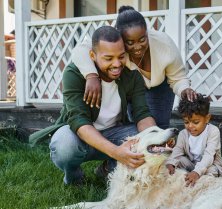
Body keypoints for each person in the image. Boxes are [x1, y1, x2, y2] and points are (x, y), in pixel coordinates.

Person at [29, 26, 156, 185]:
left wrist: (155, 139)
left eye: (121, 56)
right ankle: (75, 178)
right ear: (92, 55)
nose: (117, 64)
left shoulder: (131, 75)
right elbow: (79, 122)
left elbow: (142, 114)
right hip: (80, 134)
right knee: (64, 145)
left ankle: (109, 169)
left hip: (114, 132)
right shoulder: (74, 74)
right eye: (108, 58)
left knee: (144, 136)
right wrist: (116, 152)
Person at [71, 6, 197, 129]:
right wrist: (91, 76)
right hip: (133, 85)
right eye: (130, 43)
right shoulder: (114, 41)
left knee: (161, 127)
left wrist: (184, 89)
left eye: (142, 39)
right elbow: (81, 50)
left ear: (147, 32)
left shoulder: (164, 44)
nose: (137, 47)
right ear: (120, 38)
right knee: (137, 123)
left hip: (161, 85)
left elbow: (178, 77)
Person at [165, 94, 222, 186]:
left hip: (210, 165)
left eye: (195, 122)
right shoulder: (183, 134)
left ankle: (204, 186)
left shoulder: (213, 131)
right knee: (177, 159)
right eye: (186, 122)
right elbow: (177, 151)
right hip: (192, 165)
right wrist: (171, 163)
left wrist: (197, 172)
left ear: (207, 118)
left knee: (210, 171)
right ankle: (185, 180)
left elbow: (209, 156)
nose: (190, 126)